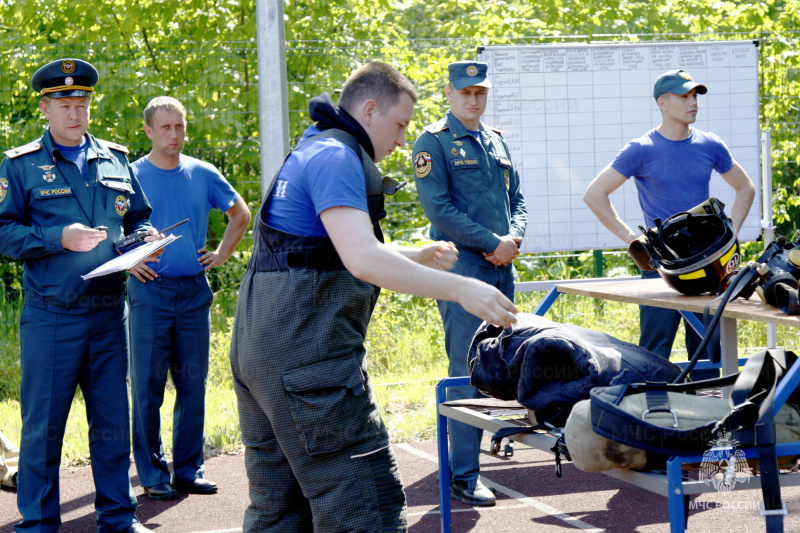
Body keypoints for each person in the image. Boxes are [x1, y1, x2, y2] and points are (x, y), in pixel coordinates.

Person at [229, 61, 518, 532]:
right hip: (307, 366)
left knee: (280, 511)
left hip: (260, 355)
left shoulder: (311, 147)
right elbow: (362, 259)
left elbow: (327, 249)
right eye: (400, 124)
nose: (403, 140)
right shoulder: (338, 157)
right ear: (368, 109)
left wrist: (415, 253)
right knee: (365, 505)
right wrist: (463, 288)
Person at [0, 58, 158, 533]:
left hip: (111, 312)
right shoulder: (21, 165)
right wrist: (56, 239)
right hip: (53, 315)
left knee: (112, 422)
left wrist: (144, 244)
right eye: (64, 104)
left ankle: (117, 517)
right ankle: (39, 522)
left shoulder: (114, 158)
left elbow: (138, 217)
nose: (75, 113)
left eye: (82, 103)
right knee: (43, 425)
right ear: (45, 108)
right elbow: (3, 232)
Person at [583, 68, 755, 376]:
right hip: (662, 272)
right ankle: (653, 419)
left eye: (694, 96)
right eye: (684, 96)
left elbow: (745, 188)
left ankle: (709, 420)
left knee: (708, 356)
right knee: (653, 355)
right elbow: (594, 195)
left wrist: (729, 238)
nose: (693, 102)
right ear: (662, 103)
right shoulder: (641, 148)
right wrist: (634, 242)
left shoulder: (710, 144)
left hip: (710, 269)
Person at [411, 60, 527, 507]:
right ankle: (464, 473)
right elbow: (439, 211)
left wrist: (513, 239)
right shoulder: (433, 142)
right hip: (464, 272)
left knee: (499, 364)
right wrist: (492, 241)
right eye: (465, 92)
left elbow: (517, 198)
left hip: (502, 266)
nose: (473, 99)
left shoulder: (495, 141)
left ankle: (492, 441)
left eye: (480, 92)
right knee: (466, 372)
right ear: (449, 93)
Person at [126, 97, 251, 501]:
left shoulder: (203, 173)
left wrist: (221, 254)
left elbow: (241, 214)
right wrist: (128, 263)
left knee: (192, 385)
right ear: (148, 131)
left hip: (194, 292)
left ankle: (188, 470)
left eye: (179, 127)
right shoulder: (130, 176)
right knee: (148, 388)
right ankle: (151, 472)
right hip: (149, 293)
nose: (174, 135)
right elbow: (106, 226)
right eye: (165, 128)